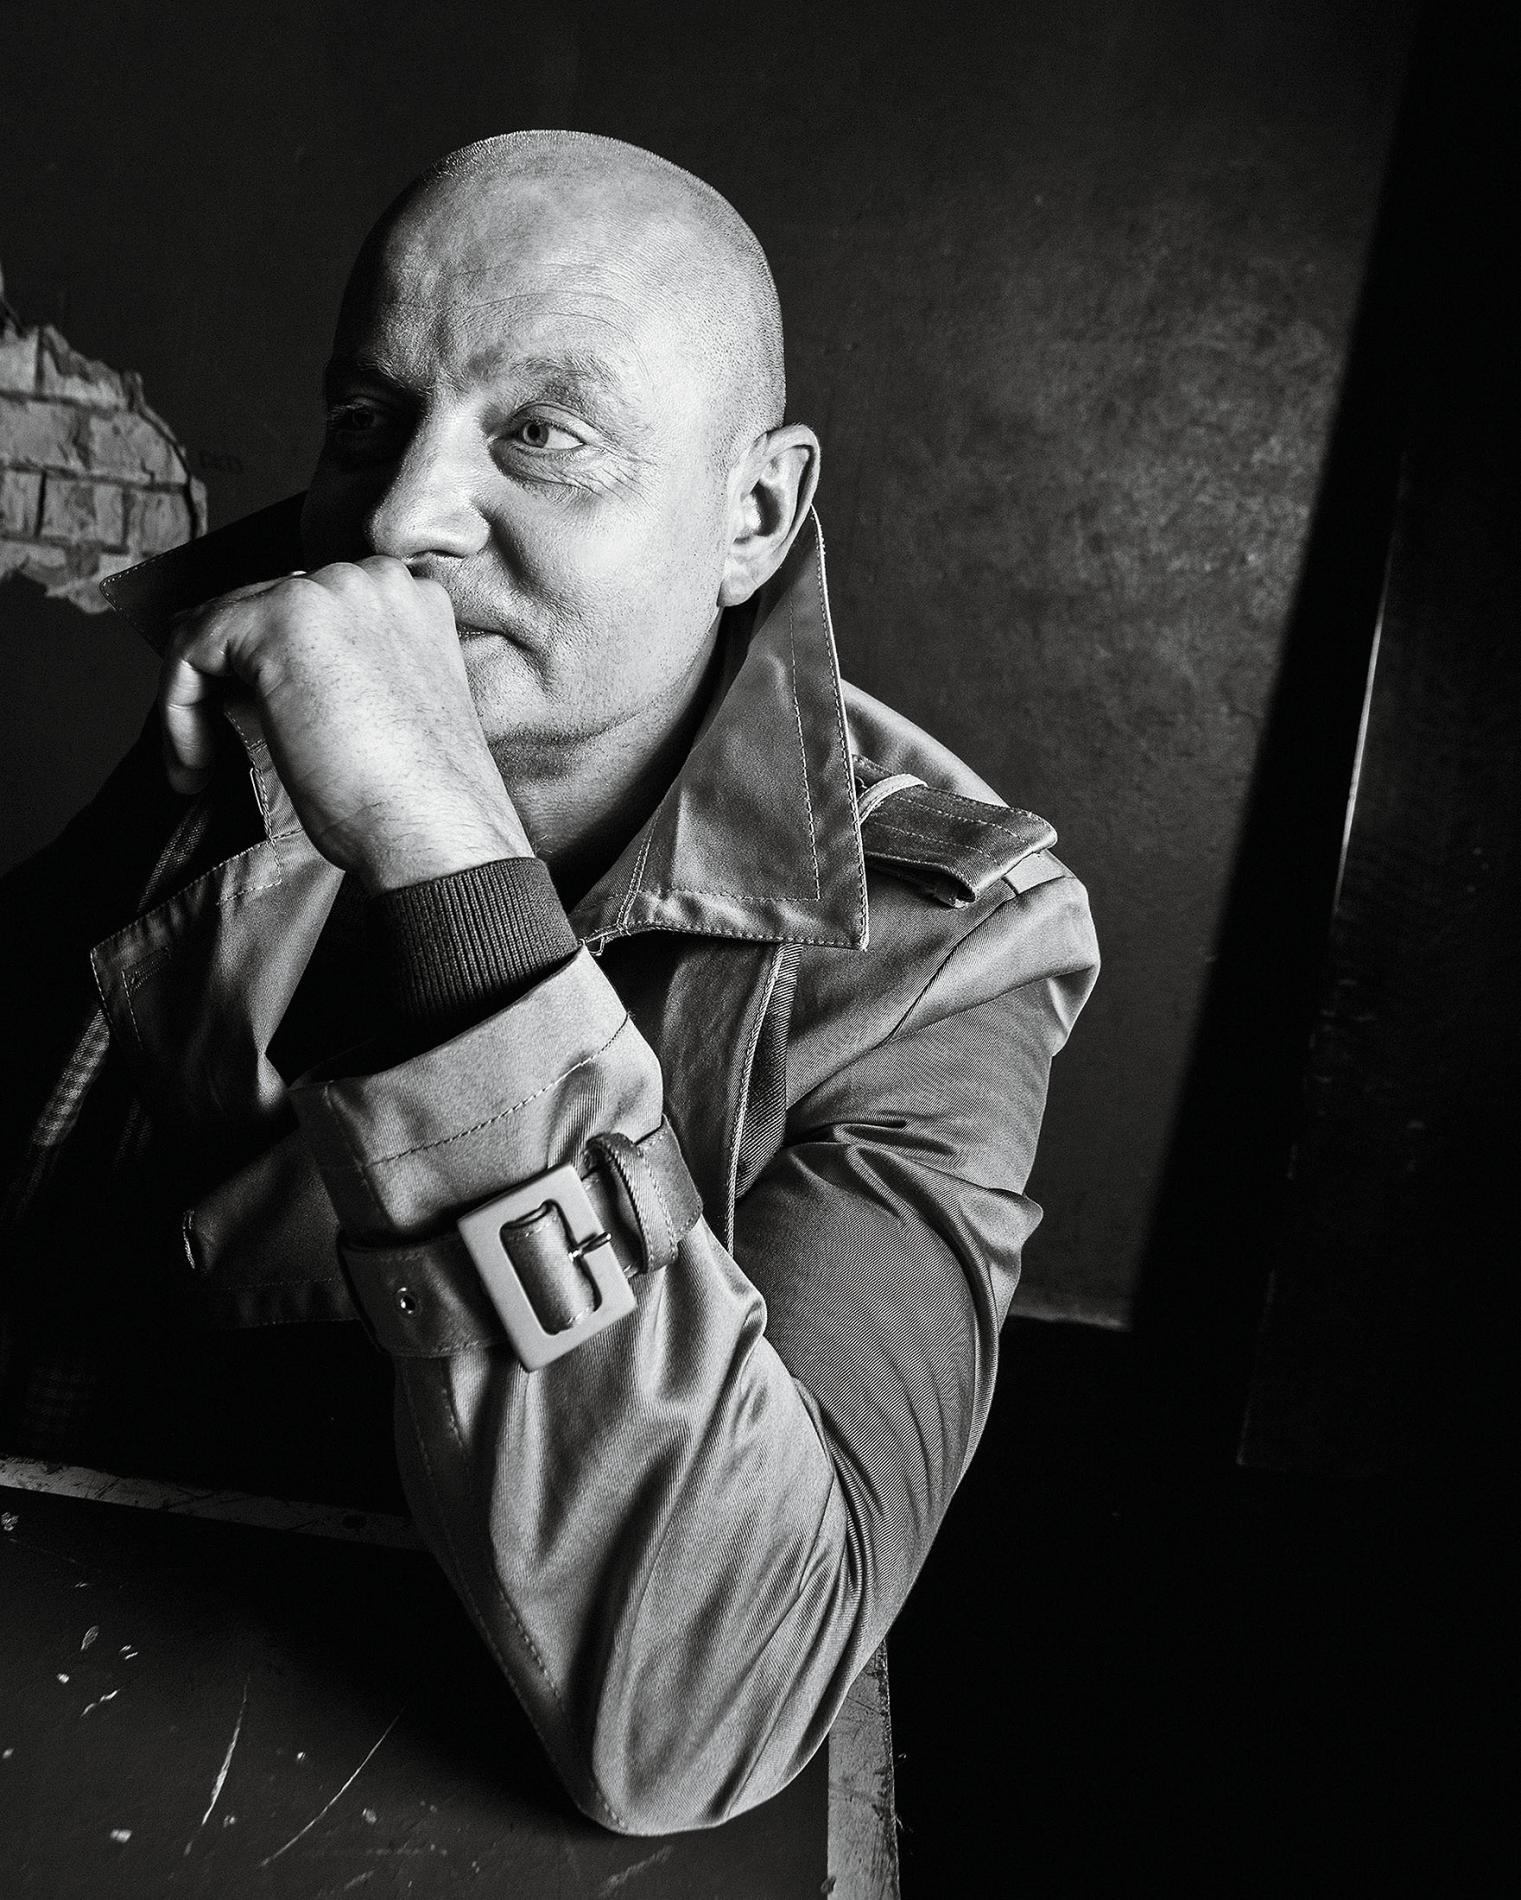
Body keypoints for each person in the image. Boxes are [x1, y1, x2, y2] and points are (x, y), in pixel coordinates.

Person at [0, 132, 1098, 1833]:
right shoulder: (264, 676)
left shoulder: (941, 946)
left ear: (752, 514)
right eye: (366, 419)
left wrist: (440, 852)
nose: (400, 519)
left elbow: (709, 1717)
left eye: (544, 434)